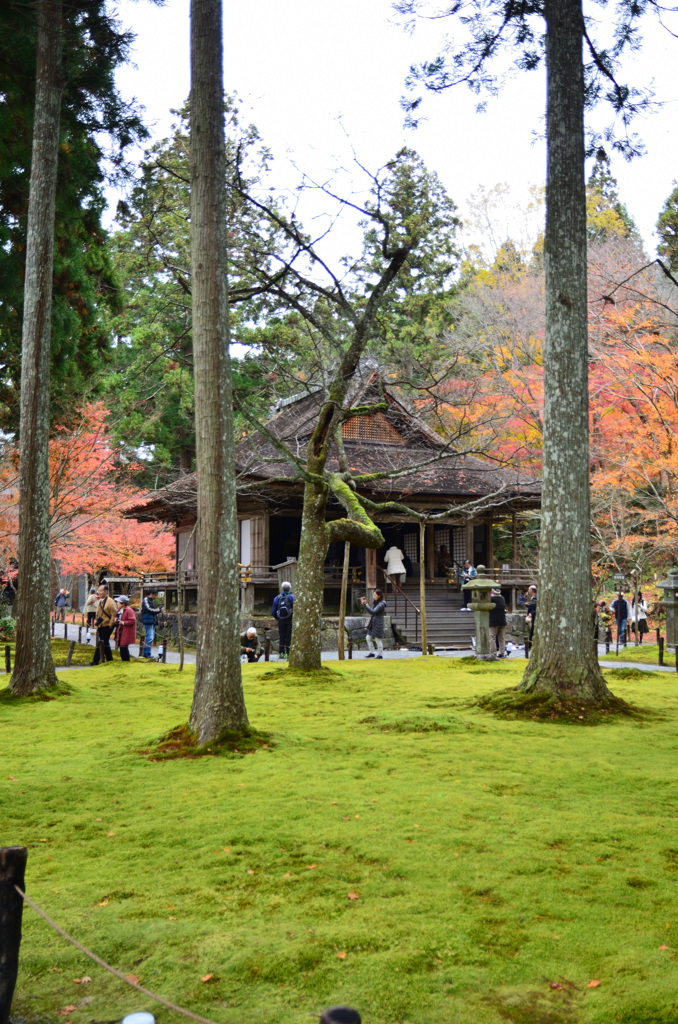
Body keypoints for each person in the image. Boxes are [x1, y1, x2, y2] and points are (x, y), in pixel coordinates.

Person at [89, 584, 117, 665]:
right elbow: (98, 613)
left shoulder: (111, 602)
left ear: (106, 591)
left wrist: (110, 626)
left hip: (107, 625)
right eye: (98, 590)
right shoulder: (100, 601)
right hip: (101, 625)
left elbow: (113, 615)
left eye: (101, 591)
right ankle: (109, 660)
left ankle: (95, 661)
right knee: (105, 642)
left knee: (101, 642)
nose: (99, 592)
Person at [360, 588, 387, 659]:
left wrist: (366, 605)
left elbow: (373, 611)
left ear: (379, 595)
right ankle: (372, 653)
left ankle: (380, 655)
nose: (373, 596)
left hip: (378, 623)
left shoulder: (381, 604)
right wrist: (365, 605)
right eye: (373, 594)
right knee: (368, 638)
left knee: (377, 639)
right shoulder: (378, 603)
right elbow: (372, 611)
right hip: (374, 622)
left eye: (375, 595)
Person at [272, 581, 294, 660]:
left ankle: (281, 653)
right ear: (289, 588)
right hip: (290, 620)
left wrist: (278, 618)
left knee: (282, 636)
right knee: (289, 636)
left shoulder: (277, 598)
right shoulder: (292, 597)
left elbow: (273, 612)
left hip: (281, 620)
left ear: (282, 588)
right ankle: (288, 653)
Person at [114, 595, 137, 662]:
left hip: (126, 631)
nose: (117, 603)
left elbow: (132, 621)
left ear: (123, 603)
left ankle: (126, 661)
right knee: (121, 646)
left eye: (118, 602)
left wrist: (122, 622)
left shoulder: (129, 610)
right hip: (120, 630)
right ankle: (124, 661)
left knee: (124, 646)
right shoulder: (119, 610)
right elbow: (116, 618)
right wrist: (116, 620)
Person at [141, 588, 162, 658]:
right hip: (148, 621)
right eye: (155, 595)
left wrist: (158, 610)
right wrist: (157, 610)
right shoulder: (146, 600)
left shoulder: (150, 600)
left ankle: (147, 653)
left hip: (151, 621)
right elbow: (149, 609)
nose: (155, 597)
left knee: (150, 637)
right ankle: (146, 654)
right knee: (149, 638)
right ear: (151, 594)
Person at [489, 588, 507, 658]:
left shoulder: (492, 599)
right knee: (501, 638)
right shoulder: (502, 598)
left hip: (493, 620)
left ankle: (493, 653)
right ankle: (502, 652)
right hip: (502, 620)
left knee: (492, 637)